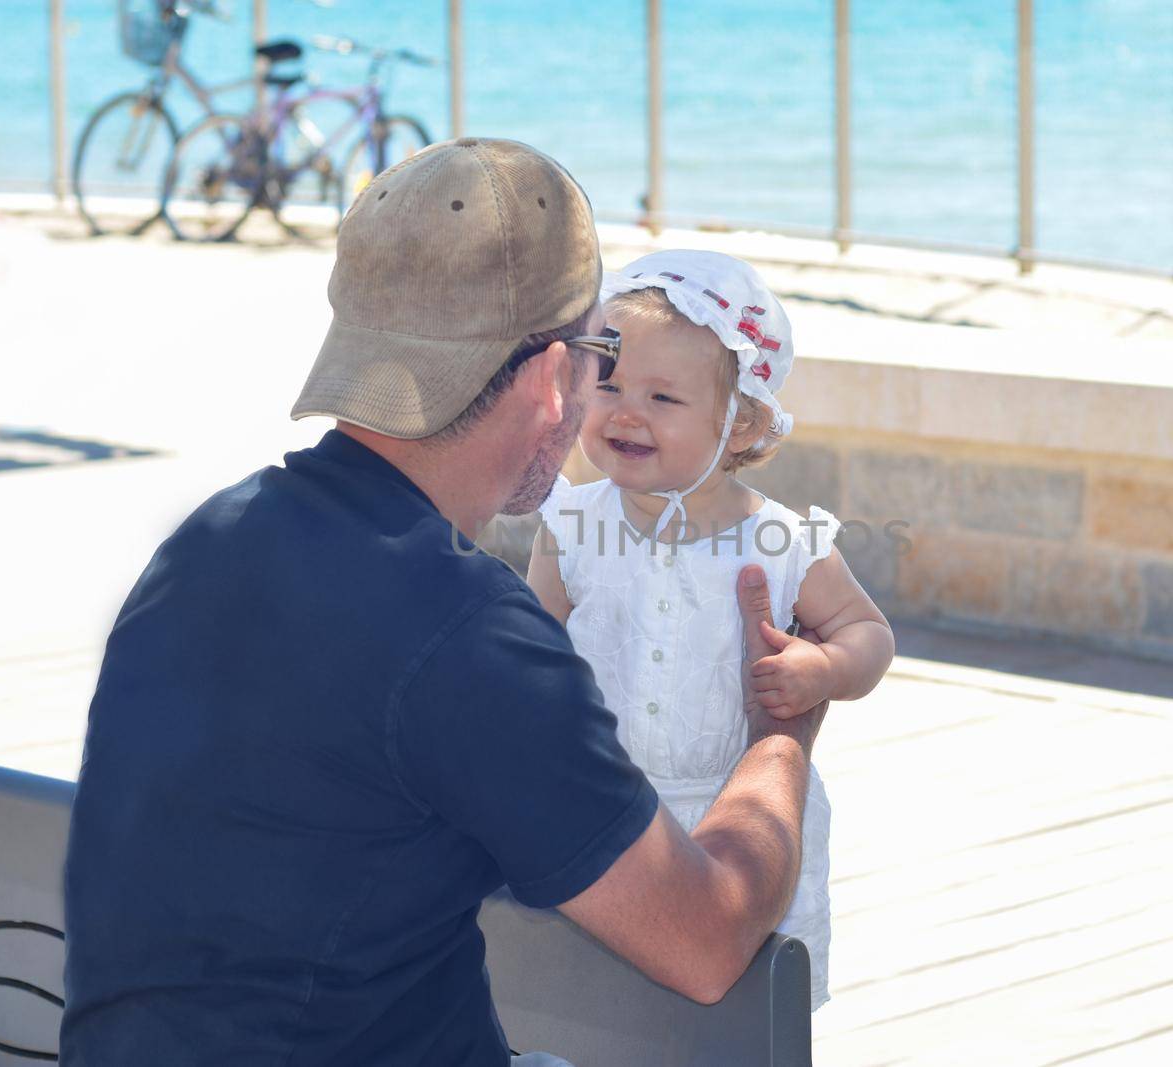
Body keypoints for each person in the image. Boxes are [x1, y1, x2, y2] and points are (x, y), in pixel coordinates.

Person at [61, 139, 828, 1066]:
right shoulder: (466, 637)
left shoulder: (208, 545)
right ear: (553, 378)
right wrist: (783, 726)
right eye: (599, 355)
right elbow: (706, 941)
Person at [525, 250, 895, 1008]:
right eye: (611, 384)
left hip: (740, 829)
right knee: (594, 1015)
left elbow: (868, 632)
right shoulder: (570, 528)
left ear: (739, 422)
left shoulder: (781, 543)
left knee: (738, 1025)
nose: (626, 411)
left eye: (664, 396)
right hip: (599, 815)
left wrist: (822, 670)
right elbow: (530, 658)